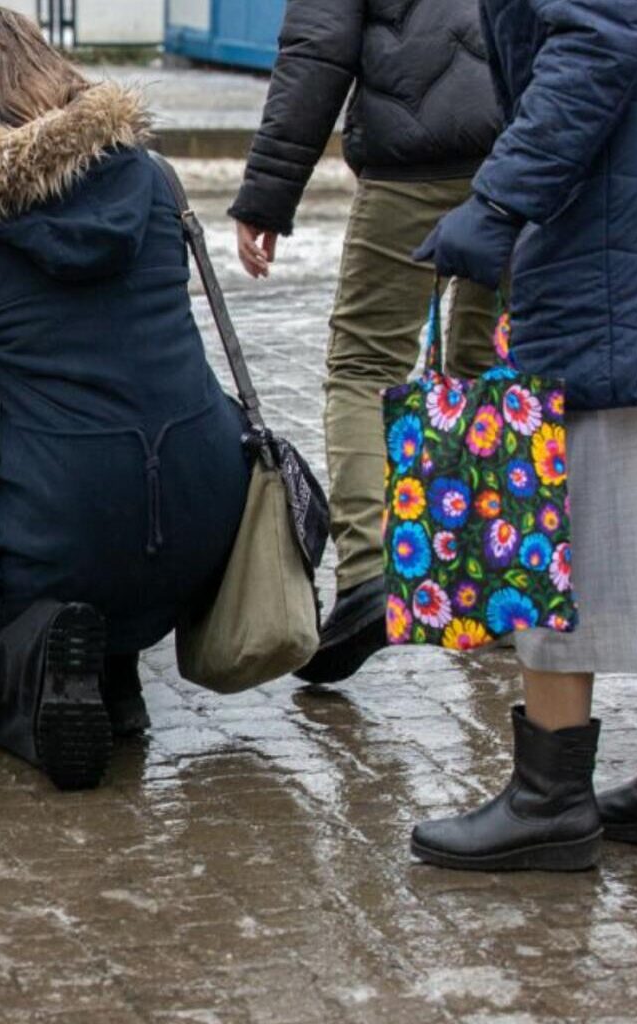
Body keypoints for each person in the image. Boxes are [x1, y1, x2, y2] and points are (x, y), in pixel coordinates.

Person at [0, 8, 251, 792]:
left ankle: (44, 679)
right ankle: (105, 683)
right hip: (206, 514)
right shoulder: (149, 176)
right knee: (102, 518)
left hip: (72, 529)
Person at [410, 0, 637, 870]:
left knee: (562, 515)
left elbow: (595, 44)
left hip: (623, 229)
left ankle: (550, 798)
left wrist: (496, 203)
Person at [230, 0, 504, 684]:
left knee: (363, 363)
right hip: (514, 157)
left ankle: (370, 574)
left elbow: (315, 54)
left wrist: (267, 196)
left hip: (411, 163)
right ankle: (498, 589)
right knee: (489, 367)